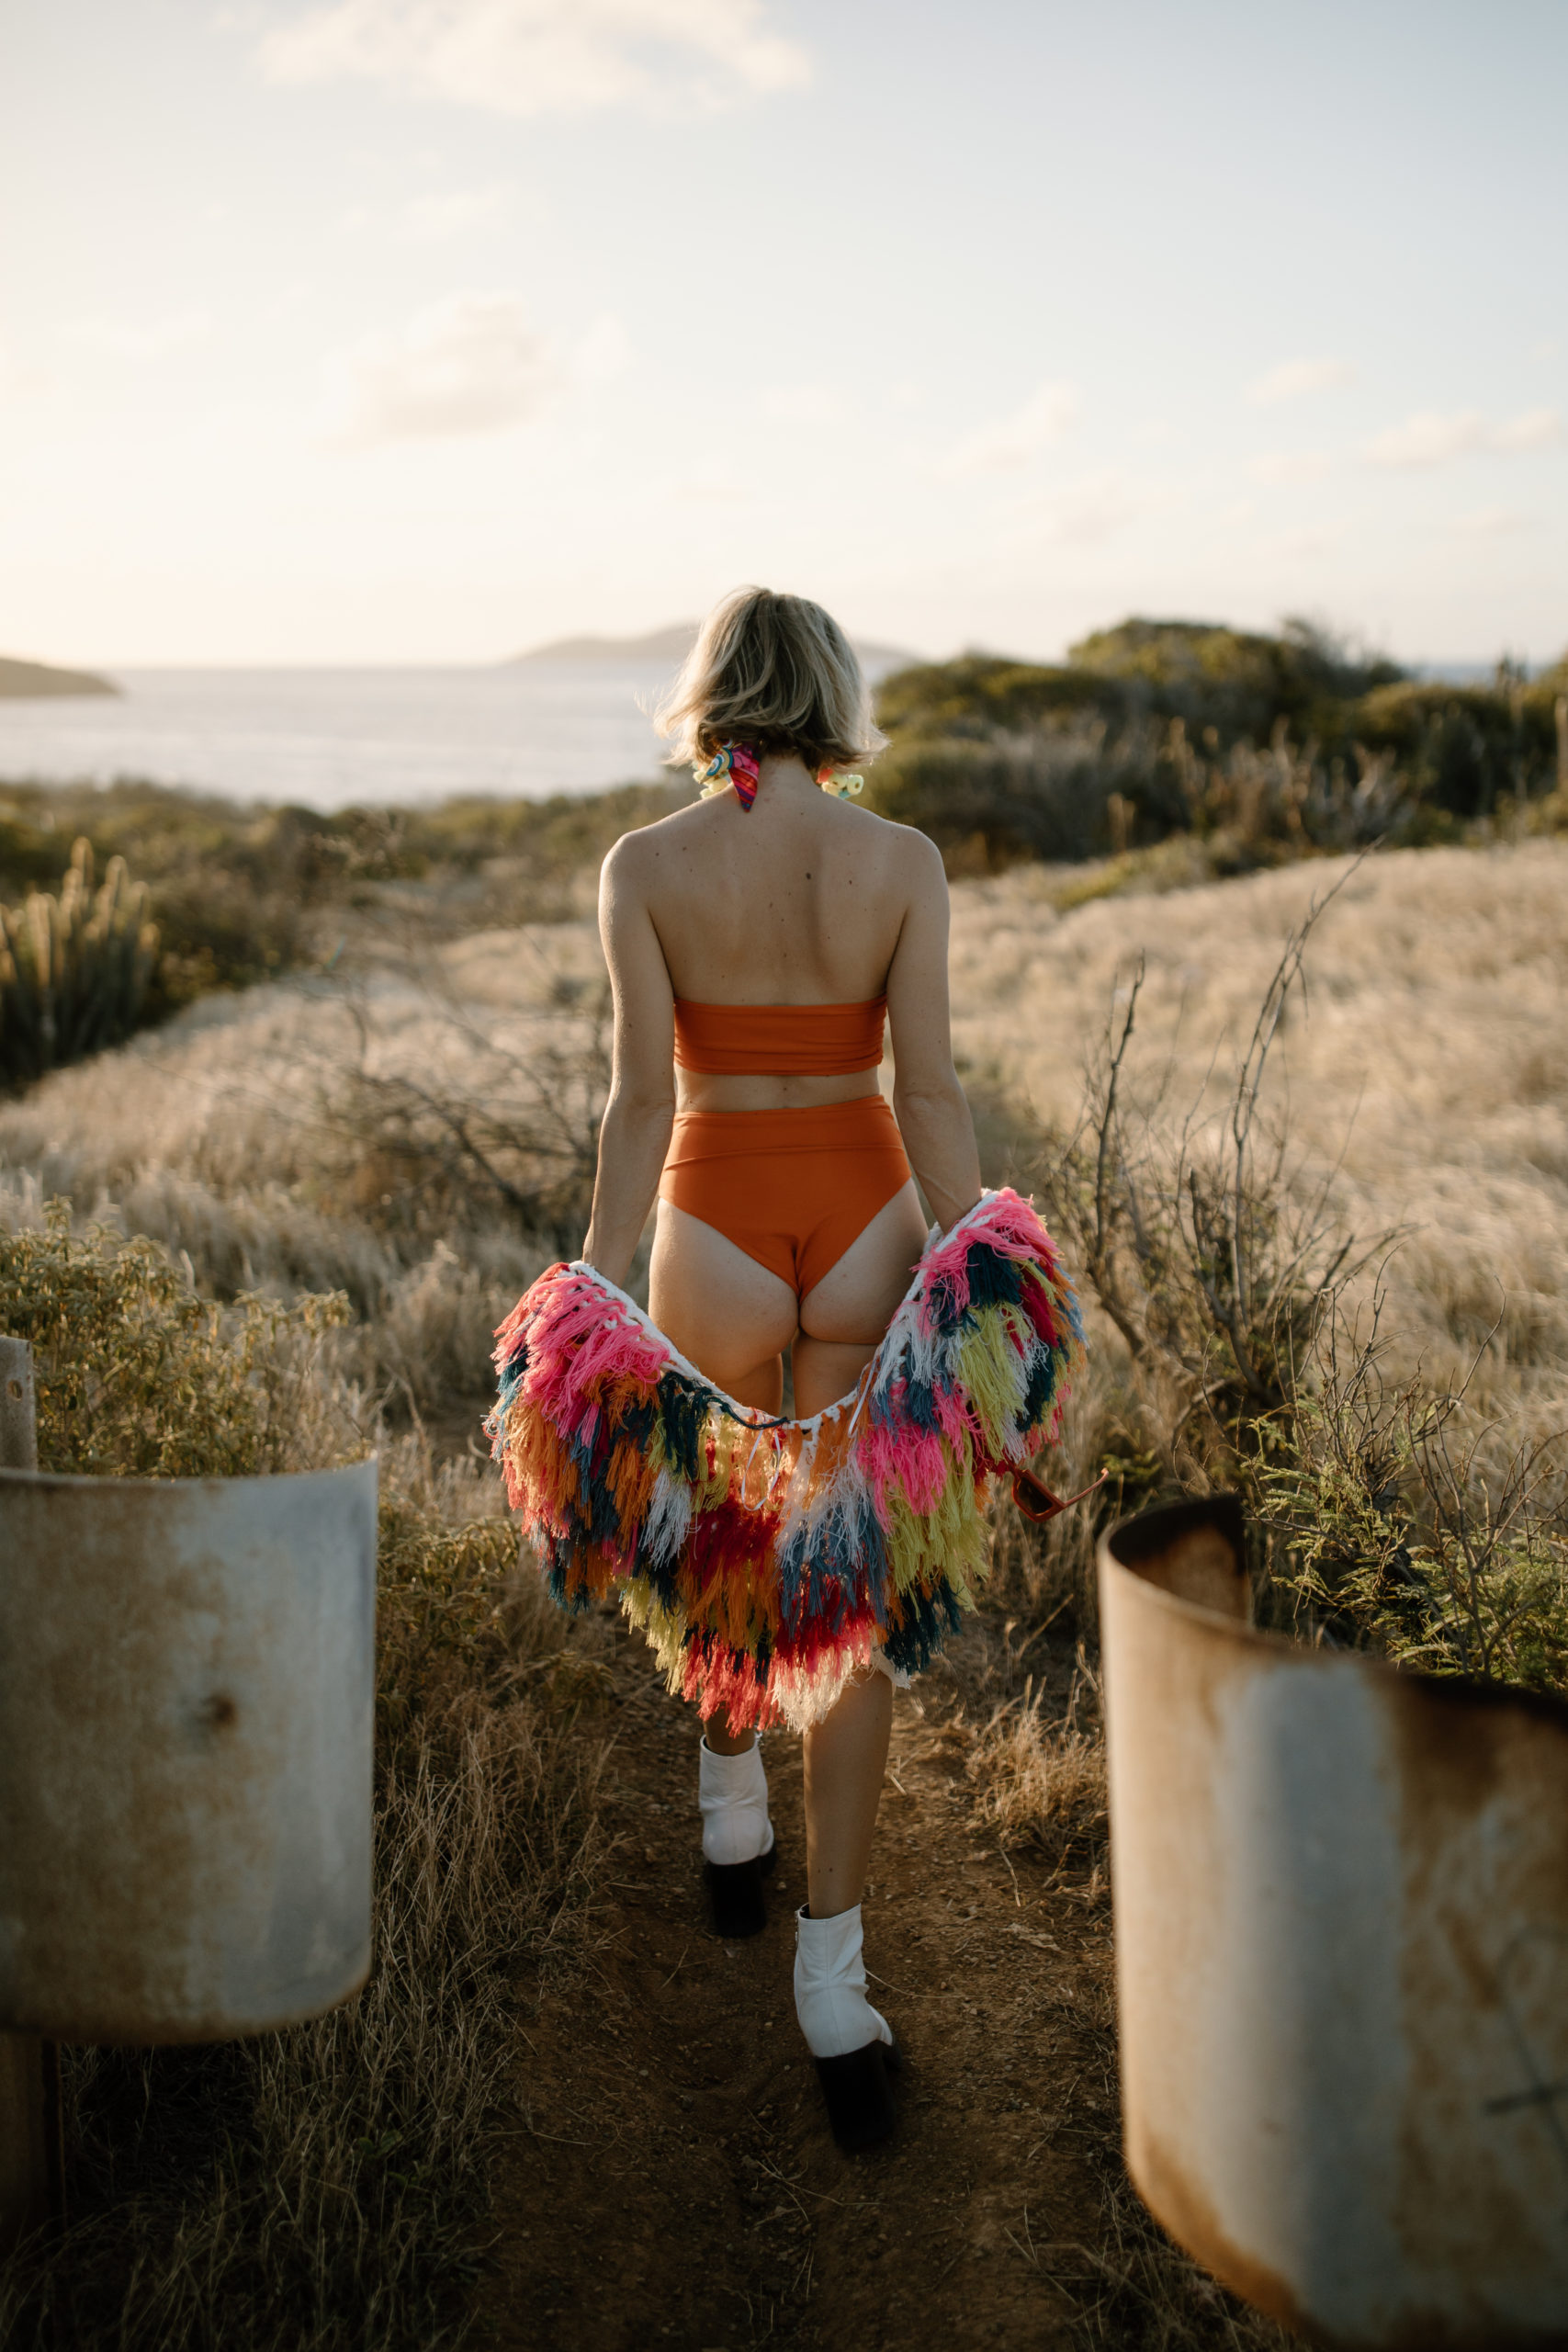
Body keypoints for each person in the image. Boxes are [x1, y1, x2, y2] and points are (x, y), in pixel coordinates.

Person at [491, 585, 1084, 2151]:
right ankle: (835, 1983)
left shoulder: (644, 865)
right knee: (853, 1597)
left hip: (715, 1223)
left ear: (710, 704)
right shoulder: (904, 863)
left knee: (726, 1550)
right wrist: (983, 1255)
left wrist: (598, 1282)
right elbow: (933, 1089)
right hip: (869, 1211)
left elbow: (635, 1101)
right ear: (828, 696)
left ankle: (730, 1820)